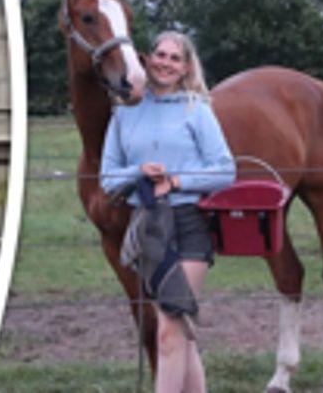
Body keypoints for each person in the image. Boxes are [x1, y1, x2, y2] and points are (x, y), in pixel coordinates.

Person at [100, 30, 235, 393]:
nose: (165, 63)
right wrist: (137, 172)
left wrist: (176, 181)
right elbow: (108, 178)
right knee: (180, 335)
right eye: (160, 54)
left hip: (189, 224)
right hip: (147, 229)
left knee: (169, 330)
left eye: (175, 58)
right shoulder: (123, 114)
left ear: (186, 67)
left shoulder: (197, 109)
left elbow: (225, 170)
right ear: (148, 58)